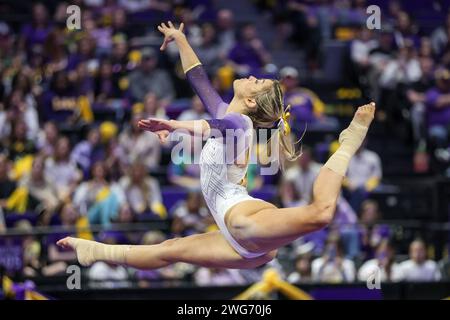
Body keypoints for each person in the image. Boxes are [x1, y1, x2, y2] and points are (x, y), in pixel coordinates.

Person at [57, 21, 376, 271]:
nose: (252, 76)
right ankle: (94, 250)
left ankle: (347, 143)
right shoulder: (232, 115)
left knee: (321, 213)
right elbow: (199, 81)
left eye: (257, 81)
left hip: (243, 223)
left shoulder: (241, 122)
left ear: (251, 100)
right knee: (171, 250)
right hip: (244, 235)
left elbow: (214, 125)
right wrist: (181, 41)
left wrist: (175, 125)